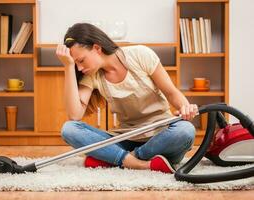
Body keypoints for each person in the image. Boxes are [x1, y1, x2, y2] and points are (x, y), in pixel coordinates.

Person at [56, 23, 197, 173]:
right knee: (69, 129)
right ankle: (140, 163)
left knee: (185, 130)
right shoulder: (92, 75)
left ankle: (120, 159)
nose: (79, 68)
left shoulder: (140, 55)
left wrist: (185, 107)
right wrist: (68, 67)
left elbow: (171, 93)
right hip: (125, 138)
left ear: (97, 48)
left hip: (160, 136)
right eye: (75, 63)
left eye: (81, 60)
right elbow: (74, 115)